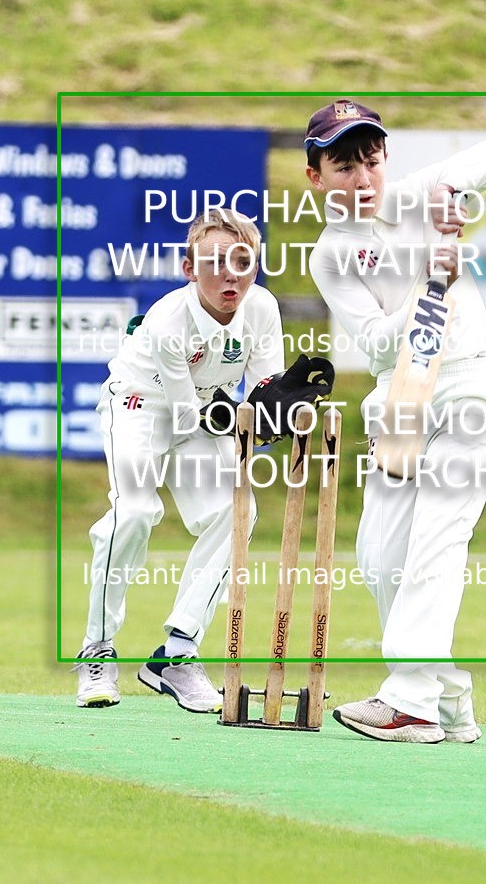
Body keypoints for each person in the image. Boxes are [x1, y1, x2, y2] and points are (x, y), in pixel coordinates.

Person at [306, 100, 486, 743]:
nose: (362, 177)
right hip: (399, 399)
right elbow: (373, 343)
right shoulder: (328, 257)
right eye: (344, 165)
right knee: (379, 557)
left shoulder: (419, 196)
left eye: (370, 160)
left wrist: (453, 194)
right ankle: (447, 690)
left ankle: (412, 700)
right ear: (315, 175)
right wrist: (430, 278)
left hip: (468, 386)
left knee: (437, 536)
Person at [75, 207, 333, 712]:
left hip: (204, 404)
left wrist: (275, 414)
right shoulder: (169, 319)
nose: (229, 274)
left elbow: (263, 389)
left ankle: (176, 653)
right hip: (141, 403)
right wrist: (239, 418)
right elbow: (187, 411)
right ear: (190, 267)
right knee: (134, 512)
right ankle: (97, 650)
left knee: (236, 512)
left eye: (242, 260)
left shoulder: (261, 308)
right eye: (214, 261)